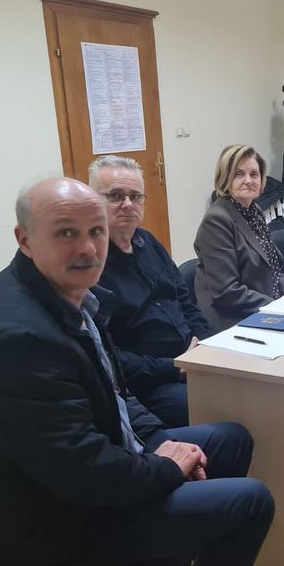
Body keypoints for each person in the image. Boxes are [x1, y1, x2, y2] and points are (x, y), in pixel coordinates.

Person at [0, 177, 274, 566]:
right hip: (56, 520)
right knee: (252, 501)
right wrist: (166, 467)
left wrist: (157, 442)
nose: (88, 248)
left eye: (95, 231)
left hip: (83, 476)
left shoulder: (65, 295)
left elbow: (115, 394)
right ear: (24, 240)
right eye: (65, 233)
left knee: (230, 440)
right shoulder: (18, 337)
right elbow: (84, 474)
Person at [90, 155, 211, 428]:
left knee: (257, 382)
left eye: (135, 196)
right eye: (115, 196)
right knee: (226, 403)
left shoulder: (150, 243)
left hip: (192, 360)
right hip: (150, 384)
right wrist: (174, 367)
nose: (128, 204)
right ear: (93, 200)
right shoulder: (90, 265)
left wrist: (204, 345)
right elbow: (109, 356)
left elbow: (185, 302)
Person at [195, 145, 284, 331]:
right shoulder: (217, 220)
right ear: (225, 178)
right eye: (239, 174)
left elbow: (272, 267)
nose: (248, 180)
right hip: (233, 320)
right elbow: (227, 291)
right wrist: (276, 306)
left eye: (254, 174)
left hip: (263, 308)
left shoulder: (254, 212)